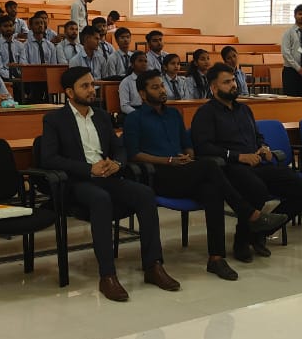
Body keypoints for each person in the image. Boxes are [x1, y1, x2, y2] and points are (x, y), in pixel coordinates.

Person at [124, 69, 289, 281]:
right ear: (142, 94)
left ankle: (216, 258)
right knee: (211, 166)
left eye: (162, 85)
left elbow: (188, 145)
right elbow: (134, 154)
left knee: (213, 190)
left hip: (183, 170)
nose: (162, 90)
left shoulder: (174, 114)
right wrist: (169, 161)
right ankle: (250, 214)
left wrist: (188, 156)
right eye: (155, 87)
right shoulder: (134, 118)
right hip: (157, 175)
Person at [40, 66, 179, 302]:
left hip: (107, 176)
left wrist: (117, 163)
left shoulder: (102, 116)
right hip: (77, 182)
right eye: (85, 86)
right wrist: (88, 169)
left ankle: (153, 266)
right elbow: (49, 158)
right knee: (101, 199)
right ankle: (107, 276)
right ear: (69, 92)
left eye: (92, 84)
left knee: (145, 194)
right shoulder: (54, 119)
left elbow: (120, 148)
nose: (91, 90)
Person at [192, 64, 302, 261]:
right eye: (226, 82)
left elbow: (258, 137)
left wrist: (264, 147)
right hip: (229, 167)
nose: (233, 85)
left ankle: (259, 233)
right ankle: (242, 241)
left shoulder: (244, 109)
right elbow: (204, 147)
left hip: (256, 164)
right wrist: (238, 156)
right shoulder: (206, 113)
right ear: (214, 88)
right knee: (256, 189)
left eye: (233, 80)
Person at [280, 4, 302, 97]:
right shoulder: (288, 33)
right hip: (291, 71)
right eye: (300, 14)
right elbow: (286, 53)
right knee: (291, 99)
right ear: (295, 15)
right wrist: (298, 68)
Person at [0, 15, 26, 80]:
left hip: (21, 77)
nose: (9, 28)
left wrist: (20, 75)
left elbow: (23, 64)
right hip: (3, 79)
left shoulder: (20, 45)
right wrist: (13, 78)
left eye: (11, 26)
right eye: (5, 26)